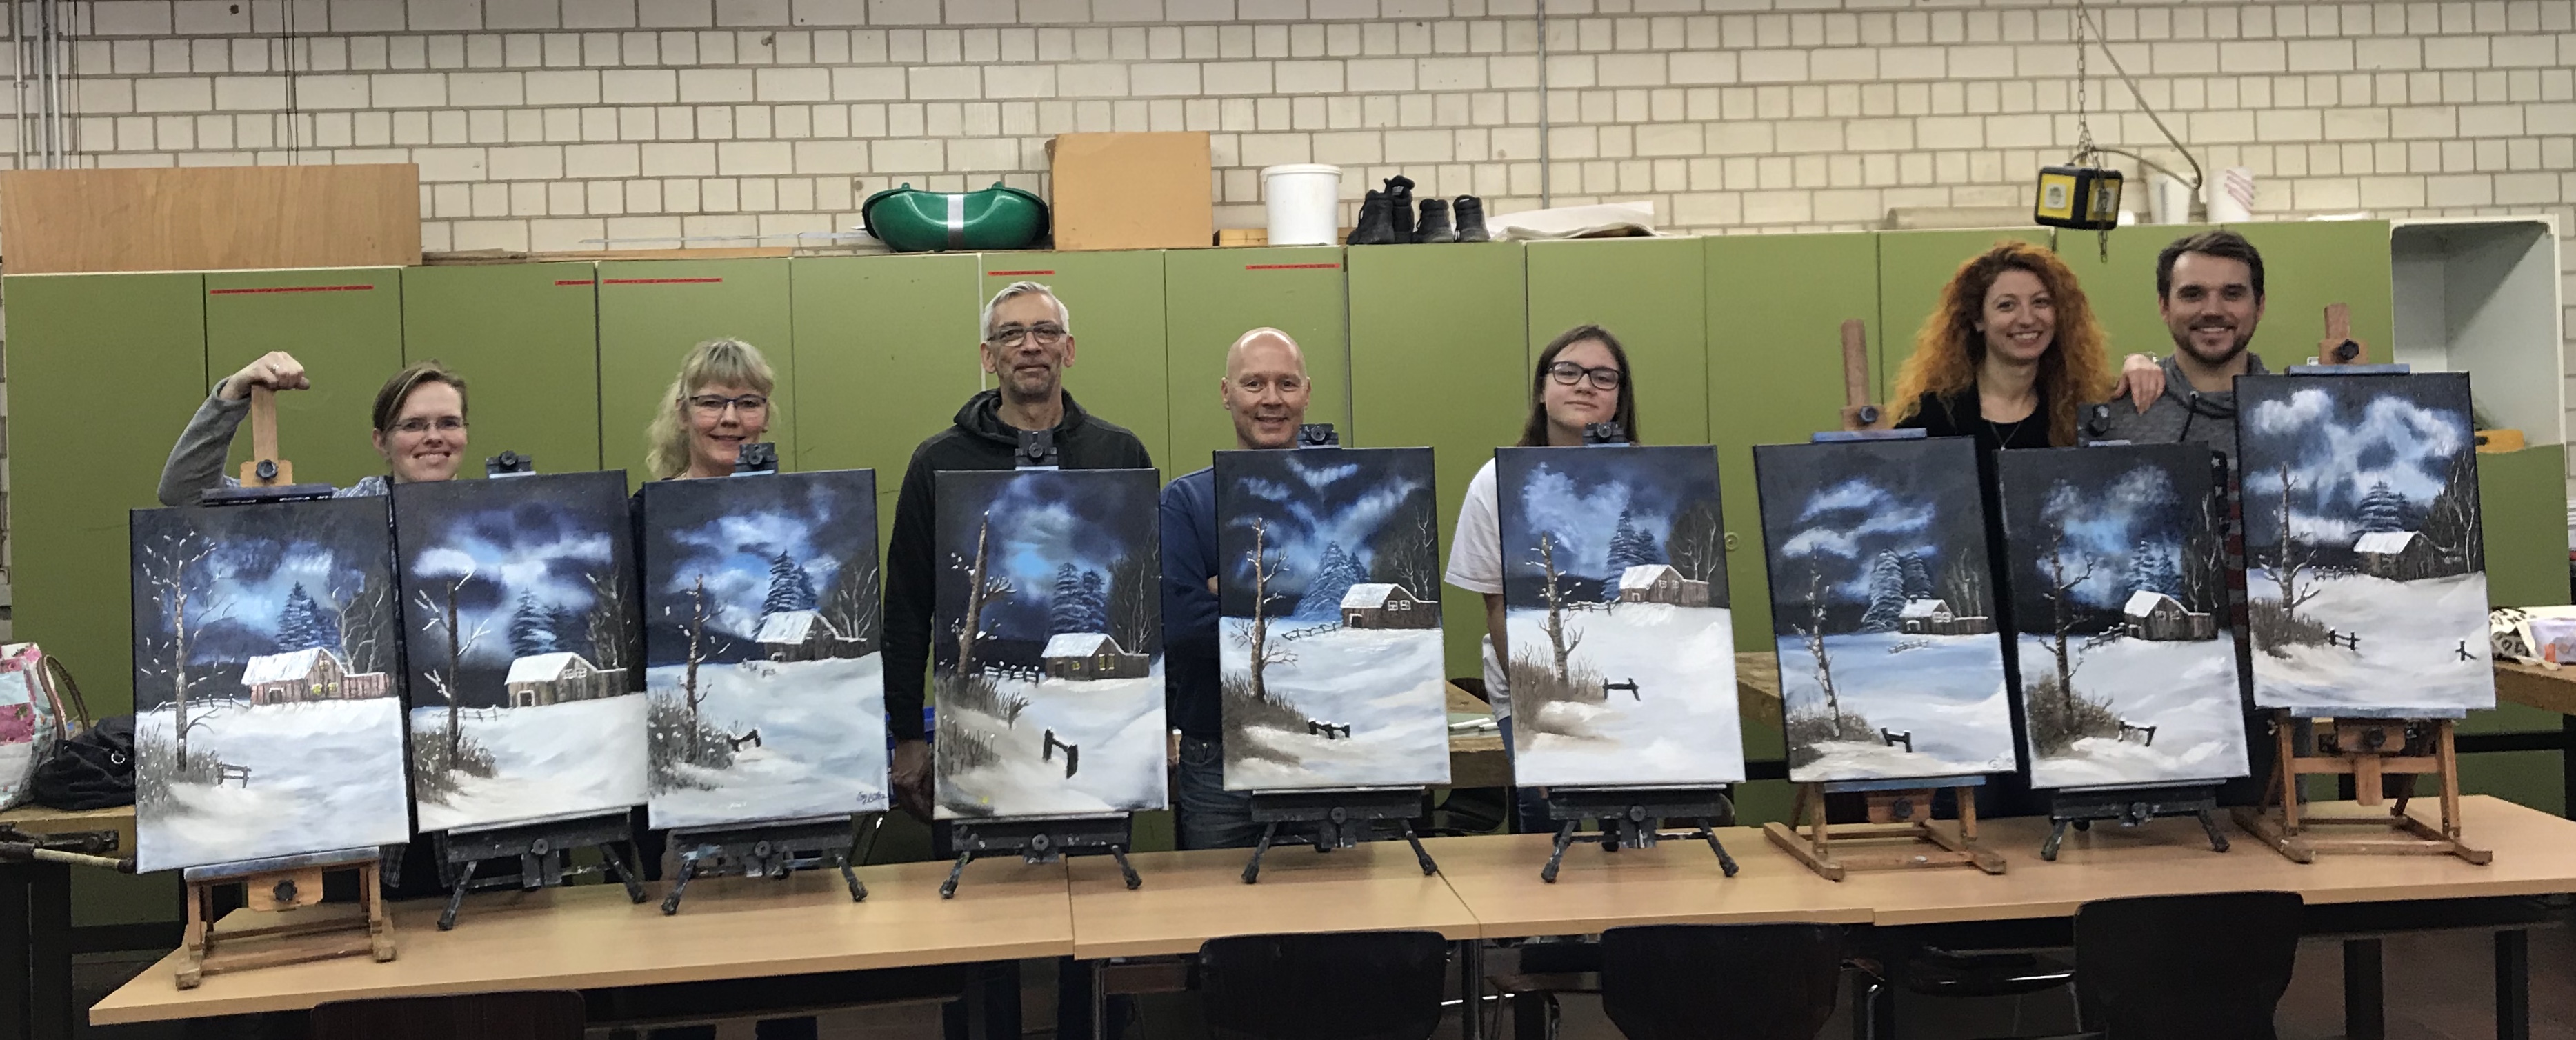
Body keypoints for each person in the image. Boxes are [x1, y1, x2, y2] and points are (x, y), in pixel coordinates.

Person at [881, 281, 1156, 820]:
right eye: (1011, 334)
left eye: (1045, 331)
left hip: (1104, 768)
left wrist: (1159, 722)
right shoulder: (939, 462)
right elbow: (907, 607)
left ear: (1067, 349)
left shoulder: (1119, 454)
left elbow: (1151, 599)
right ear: (989, 357)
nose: (1030, 345)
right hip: (972, 771)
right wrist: (908, 734)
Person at [1444, 323, 1639, 834]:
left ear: (1619, 397)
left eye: (1603, 377)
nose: (1585, 385)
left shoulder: (1646, 480)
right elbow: (1498, 608)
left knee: (1636, 831)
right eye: (1568, 371)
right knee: (1547, 832)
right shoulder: (1495, 483)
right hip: (1529, 691)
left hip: (1632, 689)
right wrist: (1540, 711)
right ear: (1541, 389)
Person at [1159, 328, 1313, 850]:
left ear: (1306, 393)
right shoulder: (1185, 503)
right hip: (1217, 763)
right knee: (1220, 900)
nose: (1271, 399)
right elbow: (1182, 629)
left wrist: (1228, 593)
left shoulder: (1344, 493)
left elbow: (1358, 628)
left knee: (1337, 899)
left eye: (1286, 383)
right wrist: (1301, 604)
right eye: (1253, 384)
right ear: (1227, 393)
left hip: (1330, 754)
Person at [157, 352, 469, 506]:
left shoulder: (493, 514)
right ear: (381, 441)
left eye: (448, 423)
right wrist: (233, 392)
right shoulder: (343, 514)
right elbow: (184, 493)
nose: (433, 437)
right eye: (413, 425)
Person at [1889, 239, 2111, 451]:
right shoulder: (1932, 416)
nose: (2027, 319)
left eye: (2040, 302)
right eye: (2007, 305)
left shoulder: (2085, 412)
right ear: (1978, 319)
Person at [2088, 228, 2272, 459]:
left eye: (2232, 294)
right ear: (2164, 306)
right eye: (2193, 294)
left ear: (2260, 306)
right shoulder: (2112, 415)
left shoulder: (2300, 409)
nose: (2212, 310)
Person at [646, 339, 779, 480]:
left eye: (748, 403)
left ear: (766, 416)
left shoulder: (792, 494)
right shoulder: (656, 496)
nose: (730, 418)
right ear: (683, 414)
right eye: (712, 403)